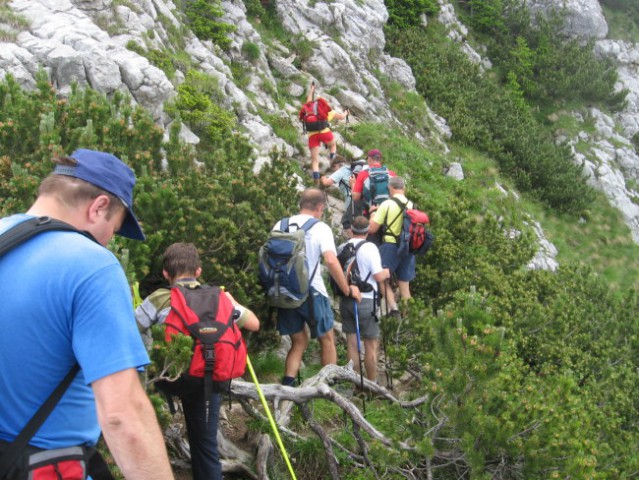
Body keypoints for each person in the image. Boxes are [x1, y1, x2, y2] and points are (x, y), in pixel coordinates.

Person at [0, 149, 174, 479]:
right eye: (115, 228)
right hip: (43, 467)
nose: (108, 242)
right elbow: (123, 415)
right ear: (99, 207)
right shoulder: (91, 265)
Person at [135, 242, 260, 480]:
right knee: (204, 446)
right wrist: (234, 302)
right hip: (208, 378)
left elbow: (132, 328)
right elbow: (254, 323)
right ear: (199, 271)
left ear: (165, 274)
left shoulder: (160, 298)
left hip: (168, 379)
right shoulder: (220, 297)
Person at [272, 188, 361, 386]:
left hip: (284, 291)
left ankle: (288, 385)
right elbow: (330, 260)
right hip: (312, 291)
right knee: (327, 338)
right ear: (320, 207)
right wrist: (346, 289)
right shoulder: (320, 228)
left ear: (301, 204)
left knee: (298, 341)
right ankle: (327, 386)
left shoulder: (281, 224)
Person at [338, 216, 389, 383]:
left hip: (346, 299)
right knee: (370, 346)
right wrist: (387, 272)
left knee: (352, 343)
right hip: (367, 301)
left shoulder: (342, 247)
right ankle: (371, 384)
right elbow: (378, 275)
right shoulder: (370, 248)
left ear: (351, 230)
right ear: (368, 231)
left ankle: (354, 382)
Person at [368, 176, 416, 318]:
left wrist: (372, 213)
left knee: (381, 278)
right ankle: (409, 321)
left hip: (391, 246)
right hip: (407, 248)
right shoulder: (411, 204)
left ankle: (394, 309)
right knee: (405, 287)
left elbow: (372, 228)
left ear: (391, 188)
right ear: (403, 189)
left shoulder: (387, 204)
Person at [304, 82, 349, 186]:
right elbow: (341, 117)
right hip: (325, 132)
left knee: (315, 161)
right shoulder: (327, 111)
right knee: (333, 145)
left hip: (312, 135)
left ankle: (316, 182)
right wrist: (346, 112)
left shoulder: (308, 108)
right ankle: (332, 163)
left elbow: (309, 100)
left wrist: (312, 90)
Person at [320, 155, 361, 236]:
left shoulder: (342, 170)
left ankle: (354, 241)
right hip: (360, 199)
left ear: (335, 165)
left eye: (333, 170)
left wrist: (322, 178)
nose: (334, 172)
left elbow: (327, 183)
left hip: (351, 200)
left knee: (346, 222)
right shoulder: (351, 169)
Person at [351, 149, 397, 217]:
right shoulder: (392, 174)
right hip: (389, 213)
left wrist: (352, 183)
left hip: (372, 213)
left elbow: (355, 197)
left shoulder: (363, 174)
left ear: (369, 159)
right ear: (380, 160)